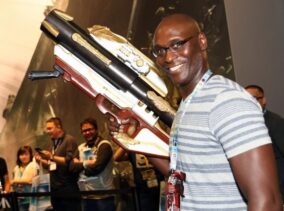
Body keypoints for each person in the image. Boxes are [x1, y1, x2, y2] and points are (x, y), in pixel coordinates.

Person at [109, 14, 283, 210]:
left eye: (177, 44)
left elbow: (268, 201)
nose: (168, 57)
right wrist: (136, 139)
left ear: (202, 41)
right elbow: (184, 178)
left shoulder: (228, 101)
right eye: (160, 50)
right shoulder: (188, 104)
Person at [245, 84, 284, 200]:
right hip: (257, 186)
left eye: (253, 98)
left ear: (263, 100)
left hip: (277, 186)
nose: (249, 102)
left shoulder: (276, 122)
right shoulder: (244, 123)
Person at [34, 117, 81, 211]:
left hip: (67, 188)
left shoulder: (69, 140)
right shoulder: (53, 143)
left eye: (50, 128)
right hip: (55, 189)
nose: (47, 131)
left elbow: (69, 161)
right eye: (47, 129)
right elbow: (51, 165)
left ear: (58, 127)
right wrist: (41, 160)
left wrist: (51, 157)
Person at [70, 118, 115, 211]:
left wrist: (80, 166)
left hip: (103, 196)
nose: (87, 133)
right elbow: (71, 168)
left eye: (90, 129)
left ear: (96, 129)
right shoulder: (81, 147)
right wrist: (87, 163)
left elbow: (96, 169)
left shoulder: (104, 145)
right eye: (84, 131)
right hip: (86, 196)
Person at [114, 147, 164, 211]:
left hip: (160, 187)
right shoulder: (133, 147)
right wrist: (128, 141)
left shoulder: (155, 142)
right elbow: (117, 157)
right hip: (142, 189)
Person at [11, 145, 39, 211]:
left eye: (26, 154)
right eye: (21, 154)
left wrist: (14, 181)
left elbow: (30, 180)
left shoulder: (34, 165)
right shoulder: (16, 168)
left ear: (30, 155)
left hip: (32, 200)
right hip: (19, 200)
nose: (23, 157)